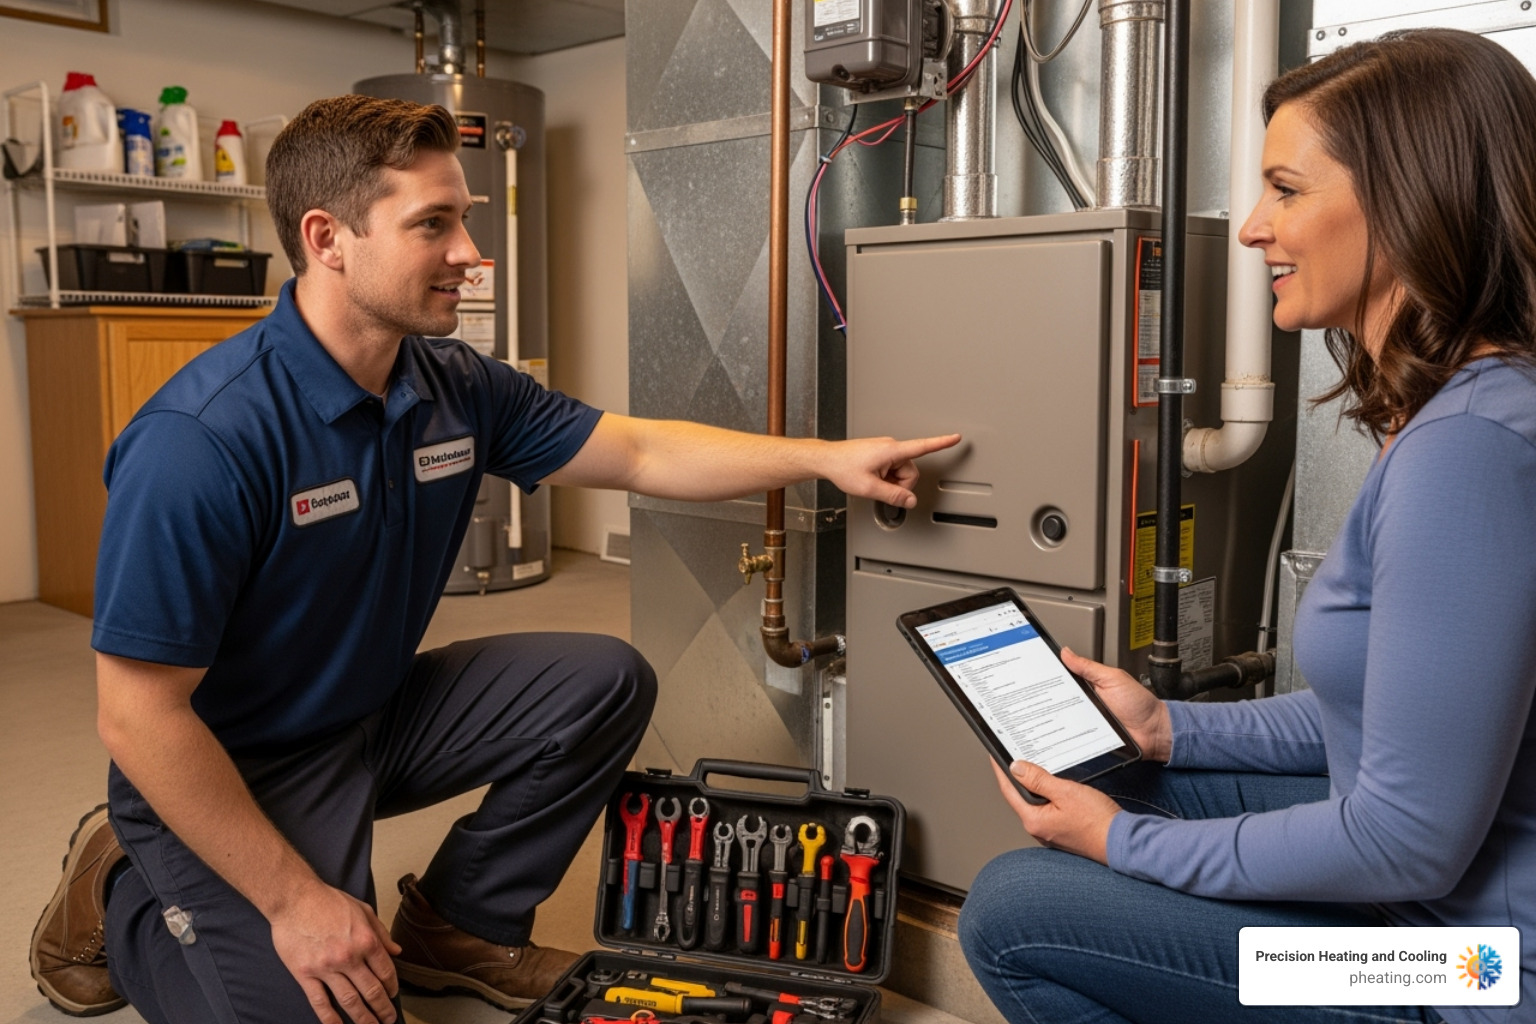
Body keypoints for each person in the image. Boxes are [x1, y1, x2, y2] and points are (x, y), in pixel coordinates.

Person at [27, 94, 959, 1024]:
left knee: (600, 679)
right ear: (327, 237)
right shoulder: (203, 439)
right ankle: (123, 881)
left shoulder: (450, 384)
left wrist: (826, 461)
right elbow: (139, 716)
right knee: (325, 1002)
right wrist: (293, 901)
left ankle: (458, 927)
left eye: (464, 219)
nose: (472, 255)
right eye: (432, 224)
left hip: (371, 715)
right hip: (231, 762)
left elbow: (637, 452)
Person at [957, 28, 1536, 1024]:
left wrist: (1119, 845)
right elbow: (1395, 719)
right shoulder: (1475, 411)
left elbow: (1406, 835)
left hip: (1465, 974)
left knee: (1016, 911)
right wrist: (1172, 725)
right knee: (1131, 779)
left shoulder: (1468, 450)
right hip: (1430, 913)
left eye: (1287, 189)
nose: (1253, 227)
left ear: (1410, 196)